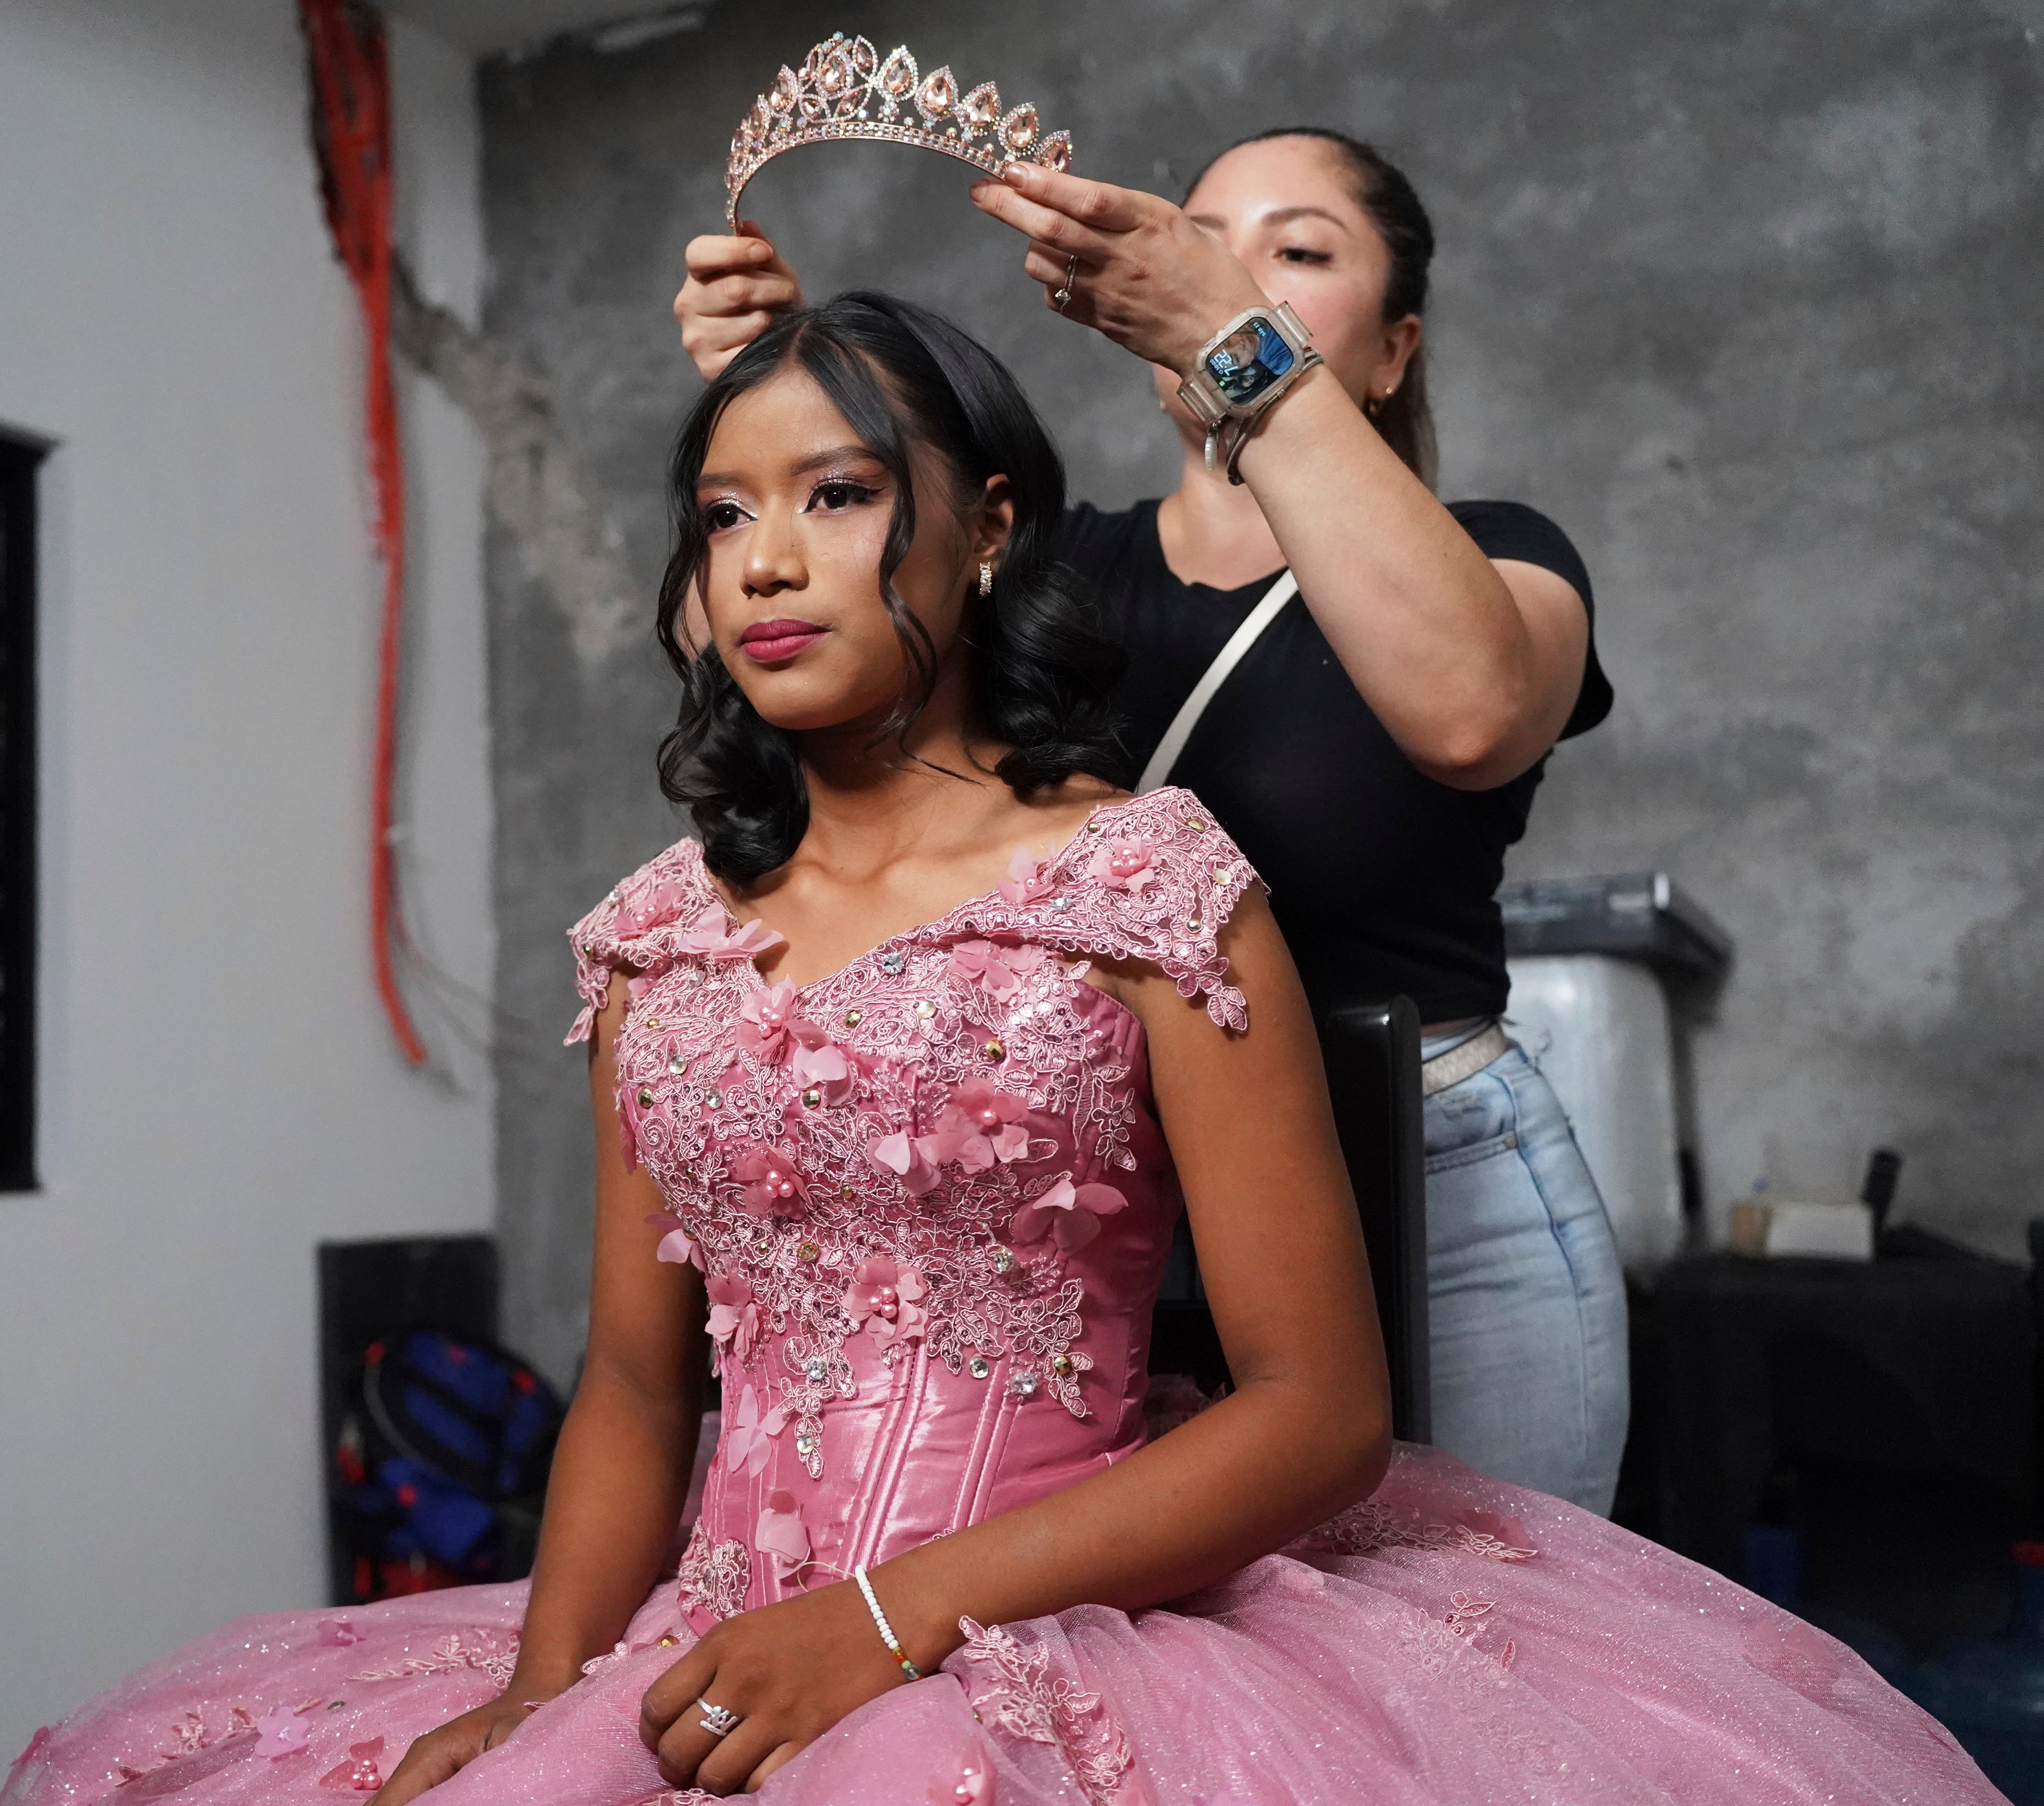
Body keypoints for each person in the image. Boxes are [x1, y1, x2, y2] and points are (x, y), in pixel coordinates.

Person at [0, 293, 1992, 1806]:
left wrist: (881, 1623)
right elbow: (633, 1381)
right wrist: (541, 1696)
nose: (767, 558)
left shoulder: (1145, 882)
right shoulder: (657, 929)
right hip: (709, 1635)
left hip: (1055, 1628)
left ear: (988, 529)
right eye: (724, 514)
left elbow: (1320, 1414)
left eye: (840, 495)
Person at [675, 128, 1628, 1514]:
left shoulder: (1497, 555)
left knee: (1481, 1620)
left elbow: (1472, 714)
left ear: (1395, 348)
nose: (1229, 274)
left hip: (1443, 1191)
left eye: (1297, 252)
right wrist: (774, 419)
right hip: (1113, 1201)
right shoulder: (1051, 578)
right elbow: (786, 666)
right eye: (1202, 243)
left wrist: (1234, 344)